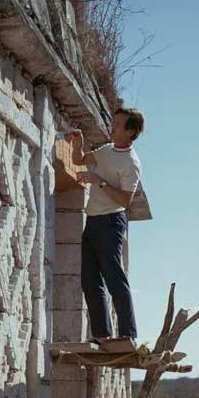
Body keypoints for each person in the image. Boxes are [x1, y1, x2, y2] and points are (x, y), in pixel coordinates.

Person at [67, 107, 144, 346]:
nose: (112, 127)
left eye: (118, 124)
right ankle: (101, 335)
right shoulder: (106, 150)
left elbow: (125, 201)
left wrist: (99, 181)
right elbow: (79, 160)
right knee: (90, 280)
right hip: (92, 220)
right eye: (113, 122)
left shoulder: (131, 163)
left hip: (112, 221)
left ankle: (128, 333)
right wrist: (78, 143)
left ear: (130, 131)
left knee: (114, 278)